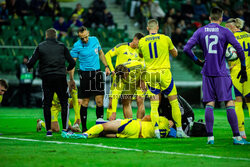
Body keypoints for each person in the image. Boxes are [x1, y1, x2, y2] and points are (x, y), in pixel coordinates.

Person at [183, 7, 249, 145]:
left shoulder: (201, 30)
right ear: (221, 18)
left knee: (209, 104)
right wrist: (243, 67)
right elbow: (239, 49)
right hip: (221, 72)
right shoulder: (225, 31)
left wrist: (198, 61)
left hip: (207, 72)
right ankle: (237, 137)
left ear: (209, 18)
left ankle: (210, 138)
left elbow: (186, 49)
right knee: (229, 103)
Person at [138, 19, 187, 138]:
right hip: (164, 72)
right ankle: (180, 130)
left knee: (154, 104)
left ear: (147, 28)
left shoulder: (142, 41)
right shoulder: (165, 38)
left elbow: (140, 55)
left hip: (151, 74)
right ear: (158, 27)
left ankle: (156, 131)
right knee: (174, 101)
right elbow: (175, 54)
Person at [27, 28, 76, 137]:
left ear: (46, 36)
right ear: (56, 36)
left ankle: (48, 130)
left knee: (47, 104)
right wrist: (67, 69)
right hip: (60, 77)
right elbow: (72, 62)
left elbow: (32, 61)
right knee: (64, 103)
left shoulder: (40, 46)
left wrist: (29, 67)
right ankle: (64, 129)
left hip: (47, 77)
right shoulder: (62, 46)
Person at [69, 26, 110, 132]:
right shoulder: (77, 46)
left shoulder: (95, 40)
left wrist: (106, 66)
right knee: (85, 102)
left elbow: (101, 53)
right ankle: (84, 128)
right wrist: (71, 79)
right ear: (79, 37)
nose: (85, 39)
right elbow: (72, 63)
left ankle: (99, 127)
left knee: (100, 101)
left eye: (86, 37)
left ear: (89, 33)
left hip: (97, 73)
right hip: (85, 75)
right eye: (82, 38)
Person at [105, 32, 145, 121]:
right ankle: (127, 123)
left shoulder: (141, 51)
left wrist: (142, 80)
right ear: (135, 39)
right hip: (121, 78)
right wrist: (111, 69)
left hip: (137, 79)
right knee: (123, 101)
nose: (140, 45)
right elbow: (107, 55)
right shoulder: (122, 46)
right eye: (139, 43)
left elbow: (144, 67)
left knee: (140, 99)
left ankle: (140, 125)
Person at [225, 18, 250, 139]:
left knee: (237, 101)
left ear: (230, 27)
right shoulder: (249, 35)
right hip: (249, 72)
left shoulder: (231, 39)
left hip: (236, 73)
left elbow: (228, 56)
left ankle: (242, 133)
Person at [62, 115, 171, 139]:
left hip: (135, 126)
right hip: (136, 136)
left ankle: (84, 135)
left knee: (103, 126)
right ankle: (87, 135)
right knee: (104, 134)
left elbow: (146, 117)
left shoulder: (164, 120)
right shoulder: (166, 133)